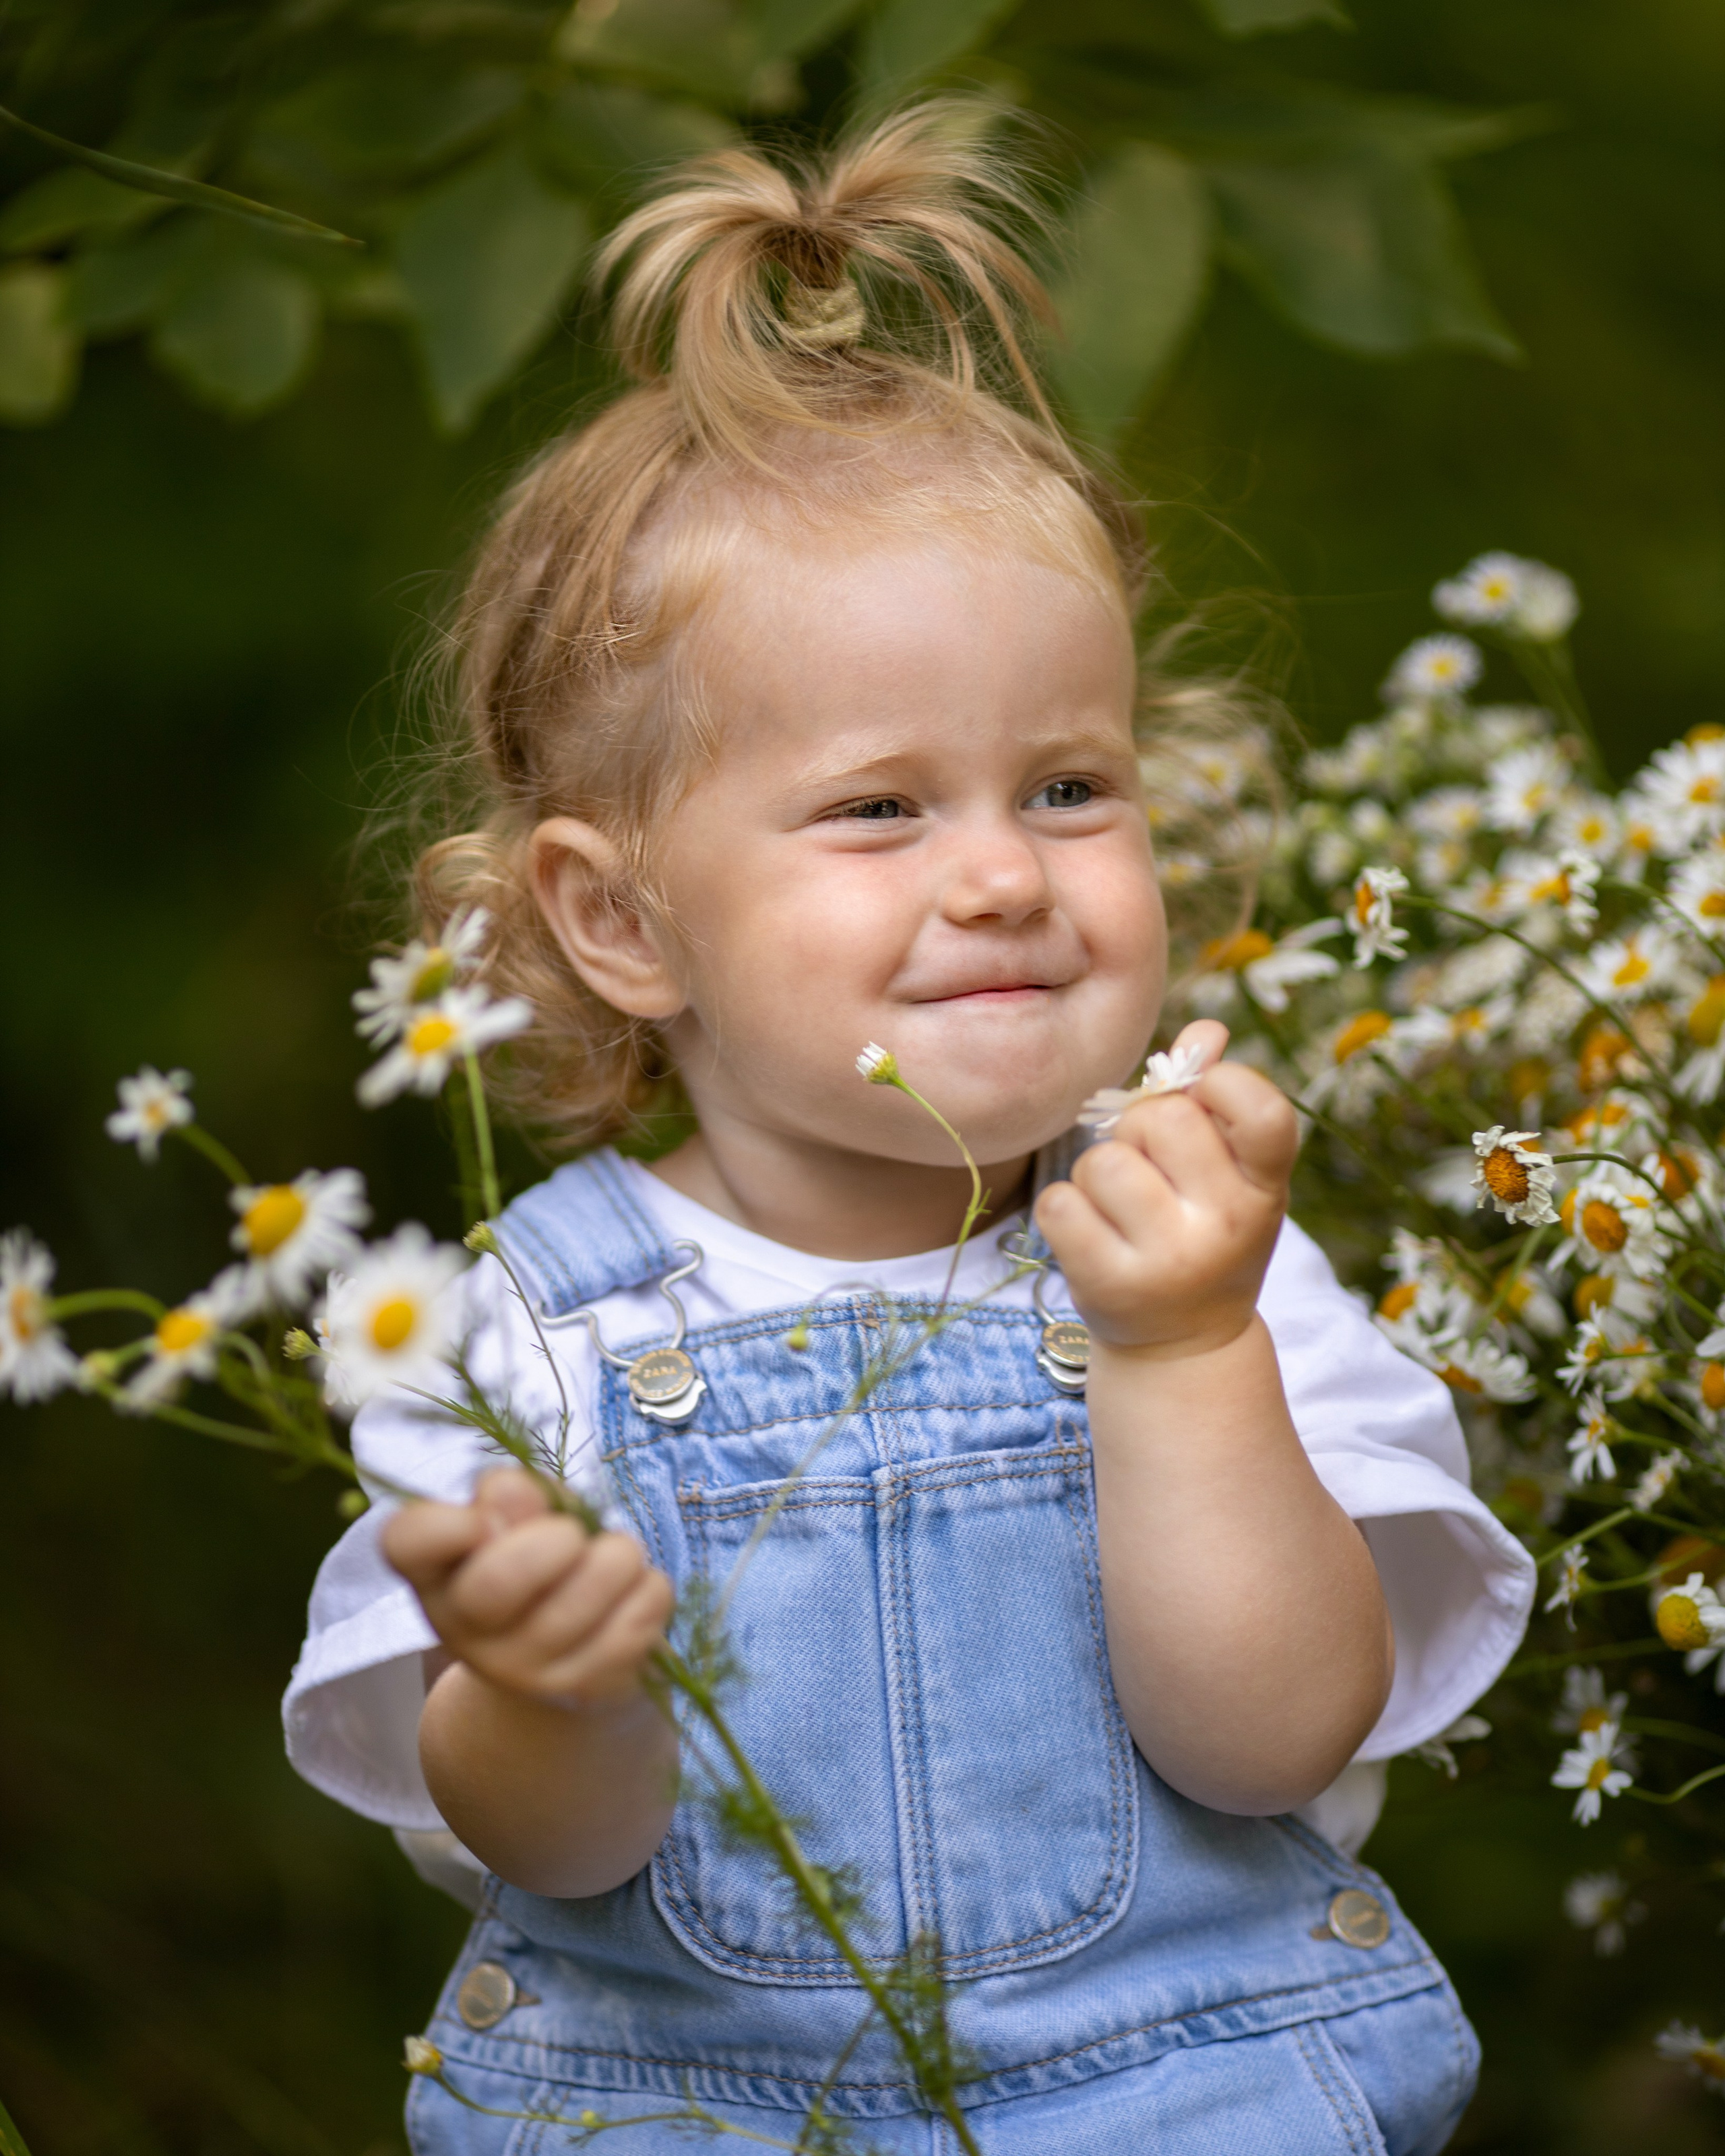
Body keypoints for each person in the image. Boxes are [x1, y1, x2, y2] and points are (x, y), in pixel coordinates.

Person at [284, 105, 1534, 2154]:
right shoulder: (526, 1333)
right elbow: (569, 1856)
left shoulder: (1202, 1255)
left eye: (1067, 788)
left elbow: (1269, 1740)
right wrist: (548, 1686)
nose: (1004, 878)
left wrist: (1186, 1353)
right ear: (618, 919)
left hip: (1199, 2106)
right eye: (882, 807)